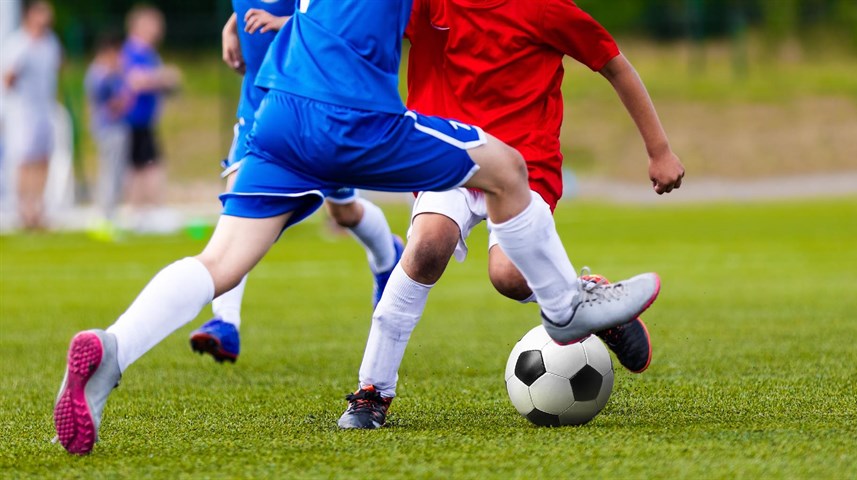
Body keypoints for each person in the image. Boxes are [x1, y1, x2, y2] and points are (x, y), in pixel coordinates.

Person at [53, 0, 673, 456]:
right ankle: (564, 308)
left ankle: (113, 349)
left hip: (281, 112)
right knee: (506, 169)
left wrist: (241, 18)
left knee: (221, 259)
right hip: (354, 118)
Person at [337, 0, 685, 429]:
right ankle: (373, 391)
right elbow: (356, 24)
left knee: (509, 276)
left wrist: (659, 150)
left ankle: (581, 297)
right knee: (428, 245)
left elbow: (615, 65)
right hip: (448, 157)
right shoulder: (425, 5)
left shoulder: (545, 8)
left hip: (524, 166)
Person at [187, 1, 405, 363]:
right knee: (239, 201)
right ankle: (224, 322)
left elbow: (336, 20)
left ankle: (387, 257)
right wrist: (232, 25)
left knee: (343, 212)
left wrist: (284, 22)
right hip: (258, 105)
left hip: (313, 105)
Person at [0, 1, 61, 231]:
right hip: (23, 110)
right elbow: (8, 79)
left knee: (43, 158)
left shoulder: (50, 42)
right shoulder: (18, 43)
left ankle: (38, 206)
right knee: (25, 160)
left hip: (44, 107)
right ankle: (24, 208)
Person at [121, 5, 180, 232]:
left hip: (145, 120)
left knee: (146, 165)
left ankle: (144, 211)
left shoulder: (149, 53)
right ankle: (143, 211)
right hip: (130, 120)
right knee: (144, 167)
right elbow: (136, 81)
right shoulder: (131, 51)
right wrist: (164, 77)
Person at [84, 31, 131, 237]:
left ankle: (110, 213)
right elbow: (112, 103)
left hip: (113, 127)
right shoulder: (101, 74)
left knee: (116, 173)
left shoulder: (107, 73)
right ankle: (105, 216)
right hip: (108, 127)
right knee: (110, 173)